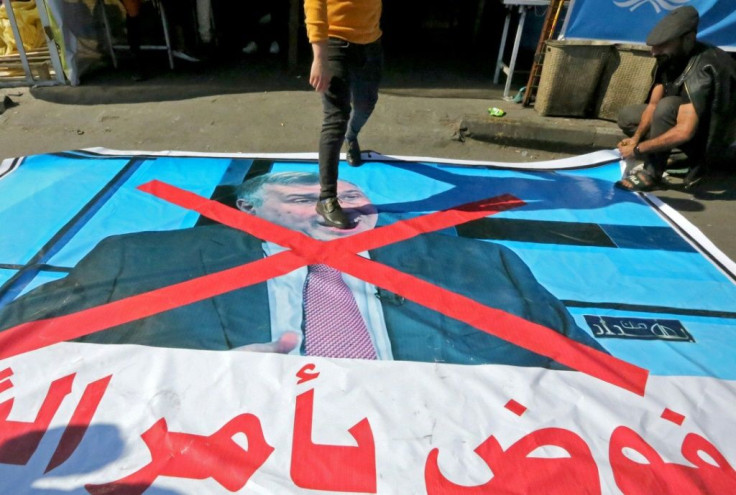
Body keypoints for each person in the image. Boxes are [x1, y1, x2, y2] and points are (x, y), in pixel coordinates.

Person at [0, 172, 606, 368]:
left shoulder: (482, 263)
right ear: (247, 209)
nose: (335, 211)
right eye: (304, 196)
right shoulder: (142, 257)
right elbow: (17, 340)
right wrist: (190, 382)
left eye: (349, 197)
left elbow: (585, 369)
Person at [615, 6, 736, 191]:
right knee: (629, 116)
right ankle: (679, 157)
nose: (654, 52)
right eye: (654, 45)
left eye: (662, 45)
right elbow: (652, 105)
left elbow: (684, 132)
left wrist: (639, 150)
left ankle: (651, 174)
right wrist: (636, 139)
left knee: (668, 106)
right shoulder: (669, 59)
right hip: (690, 126)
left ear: (687, 39)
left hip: (717, 139)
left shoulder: (703, 68)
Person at [305, 0, 383, 229]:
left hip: (371, 43)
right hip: (335, 43)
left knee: (366, 104)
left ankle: (352, 136)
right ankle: (327, 198)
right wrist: (319, 58)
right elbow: (314, 7)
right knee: (336, 118)